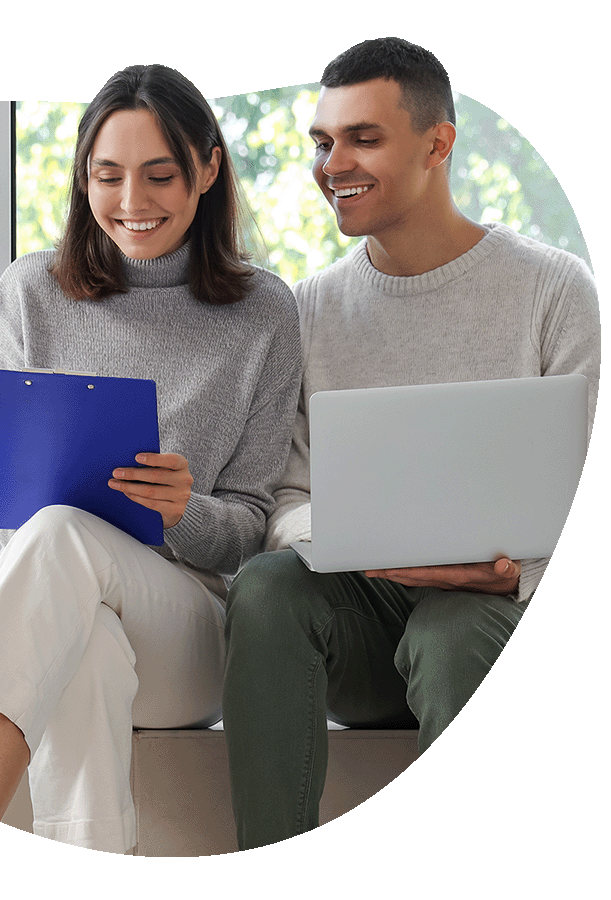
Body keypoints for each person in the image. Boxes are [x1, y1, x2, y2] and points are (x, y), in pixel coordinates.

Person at [222, 36, 600, 850]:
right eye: (322, 142)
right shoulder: (314, 306)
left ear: (438, 143)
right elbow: (287, 497)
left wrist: (509, 575)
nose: (333, 163)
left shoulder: (551, 288)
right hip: (362, 616)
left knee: (450, 628)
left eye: (363, 137)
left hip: (493, 622)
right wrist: (344, 542)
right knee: (263, 588)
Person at [0, 63, 302, 854]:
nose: (131, 203)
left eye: (159, 175)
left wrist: (182, 509)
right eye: (107, 176)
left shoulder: (264, 311)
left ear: (207, 168)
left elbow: (247, 531)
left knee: (63, 540)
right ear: (81, 179)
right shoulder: (29, 291)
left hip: (187, 632)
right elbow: (0, 508)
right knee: (83, 633)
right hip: (55, 619)